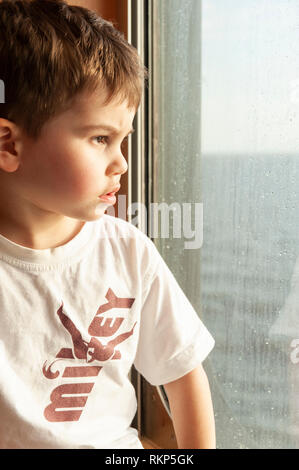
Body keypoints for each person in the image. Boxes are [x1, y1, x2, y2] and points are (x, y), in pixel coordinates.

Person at [0, 0, 215, 449]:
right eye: (100, 138)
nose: (121, 163)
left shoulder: (127, 251)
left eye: (123, 140)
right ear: (9, 144)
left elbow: (183, 372)